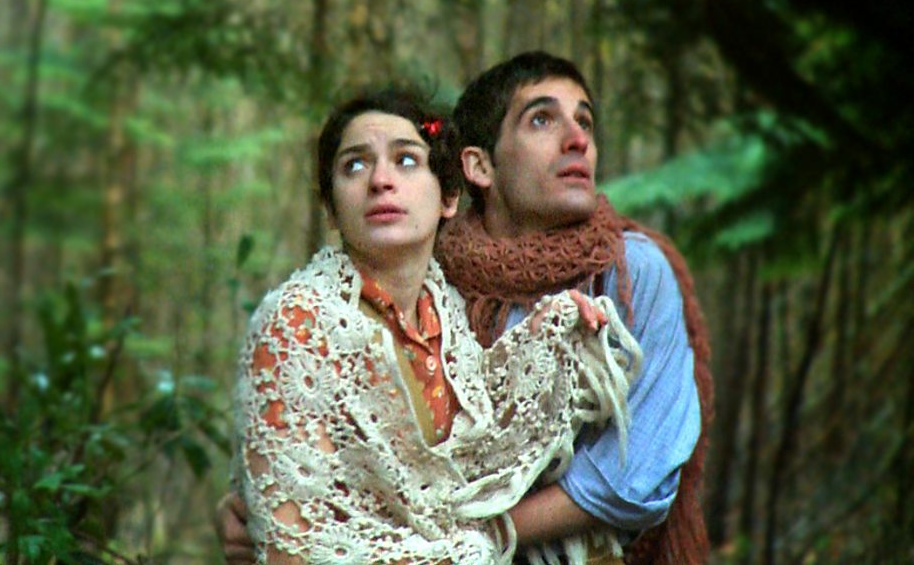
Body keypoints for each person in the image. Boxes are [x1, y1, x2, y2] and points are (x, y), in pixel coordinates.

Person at [220, 54, 713, 565]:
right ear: (477, 167)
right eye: (542, 119)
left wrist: (470, 537)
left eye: (585, 122)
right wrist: (258, 502)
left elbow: (633, 480)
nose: (576, 140)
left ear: (446, 196)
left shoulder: (628, 272)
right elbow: (337, 469)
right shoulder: (435, 277)